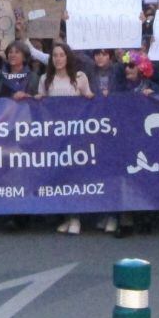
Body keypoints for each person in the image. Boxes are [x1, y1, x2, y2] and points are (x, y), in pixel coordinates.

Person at [37, 42, 93, 235]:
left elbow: (89, 99)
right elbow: (42, 105)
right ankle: (67, 216)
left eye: (61, 55)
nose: (58, 59)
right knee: (60, 176)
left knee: (74, 176)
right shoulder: (45, 79)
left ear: (68, 57)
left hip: (75, 134)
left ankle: (76, 217)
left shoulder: (79, 77)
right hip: (55, 135)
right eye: (55, 56)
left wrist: (92, 96)